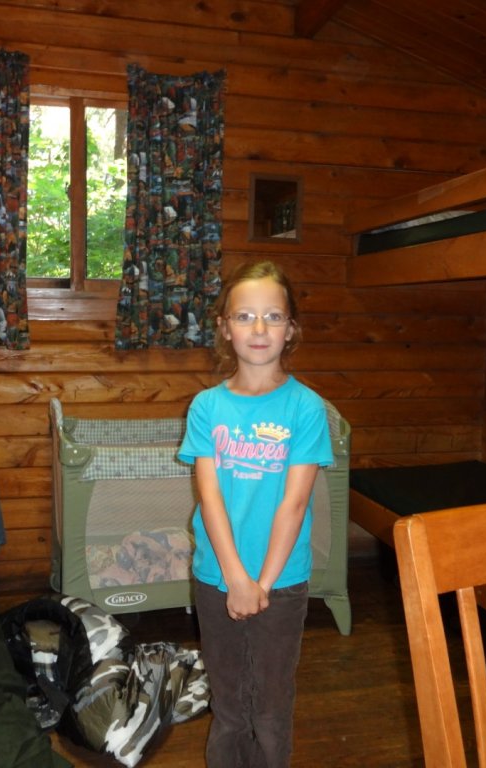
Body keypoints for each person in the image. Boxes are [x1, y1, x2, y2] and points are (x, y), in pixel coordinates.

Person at [178, 260, 334, 767]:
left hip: (281, 583)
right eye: (245, 317)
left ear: (291, 329)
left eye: (273, 316)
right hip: (215, 577)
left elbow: (293, 504)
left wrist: (261, 584)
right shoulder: (206, 406)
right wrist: (235, 578)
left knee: (269, 709)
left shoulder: (306, 409)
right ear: (224, 326)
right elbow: (211, 498)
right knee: (227, 706)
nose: (260, 329)